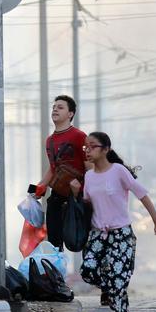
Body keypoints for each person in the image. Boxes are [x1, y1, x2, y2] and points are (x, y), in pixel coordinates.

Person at [70, 131, 156, 312]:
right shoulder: (89, 177)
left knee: (117, 280)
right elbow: (87, 205)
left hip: (121, 235)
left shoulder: (118, 171)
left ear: (105, 149)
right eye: (85, 147)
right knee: (88, 270)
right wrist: (75, 193)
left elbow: (141, 194)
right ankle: (109, 287)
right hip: (98, 235)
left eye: (92, 146)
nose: (87, 150)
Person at [34, 95, 89, 251]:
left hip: (77, 198)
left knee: (81, 241)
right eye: (54, 107)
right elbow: (53, 168)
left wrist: (85, 193)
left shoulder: (79, 136)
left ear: (70, 114)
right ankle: (57, 274)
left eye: (60, 107)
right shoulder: (49, 141)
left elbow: (89, 167)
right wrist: (37, 188)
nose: (55, 110)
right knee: (54, 246)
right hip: (57, 197)